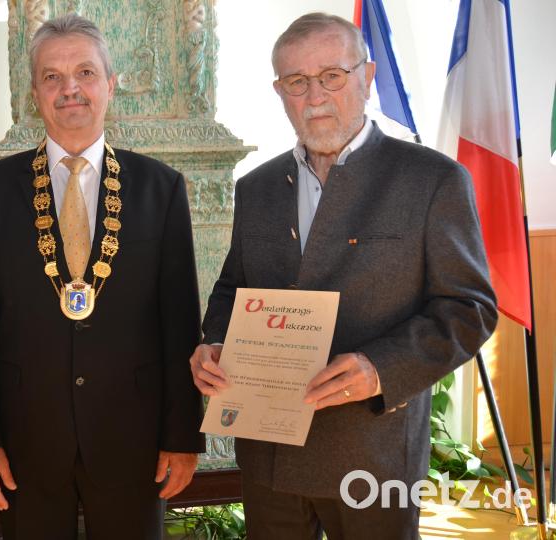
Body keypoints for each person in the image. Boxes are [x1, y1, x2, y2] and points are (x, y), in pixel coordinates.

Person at [190, 12, 497, 539]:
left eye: (332, 75)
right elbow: (231, 289)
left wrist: (380, 368)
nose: (315, 96)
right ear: (279, 91)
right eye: (297, 82)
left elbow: (469, 309)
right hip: (269, 454)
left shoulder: (433, 180)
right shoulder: (257, 188)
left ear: (366, 76)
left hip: (374, 455)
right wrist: (214, 342)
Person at [0, 13, 204, 539]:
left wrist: (183, 437)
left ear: (110, 86)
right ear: (34, 94)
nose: (70, 89)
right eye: (52, 76)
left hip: (133, 438)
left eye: (85, 73)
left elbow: (180, 321)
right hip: (25, 440)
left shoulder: (162, 189)